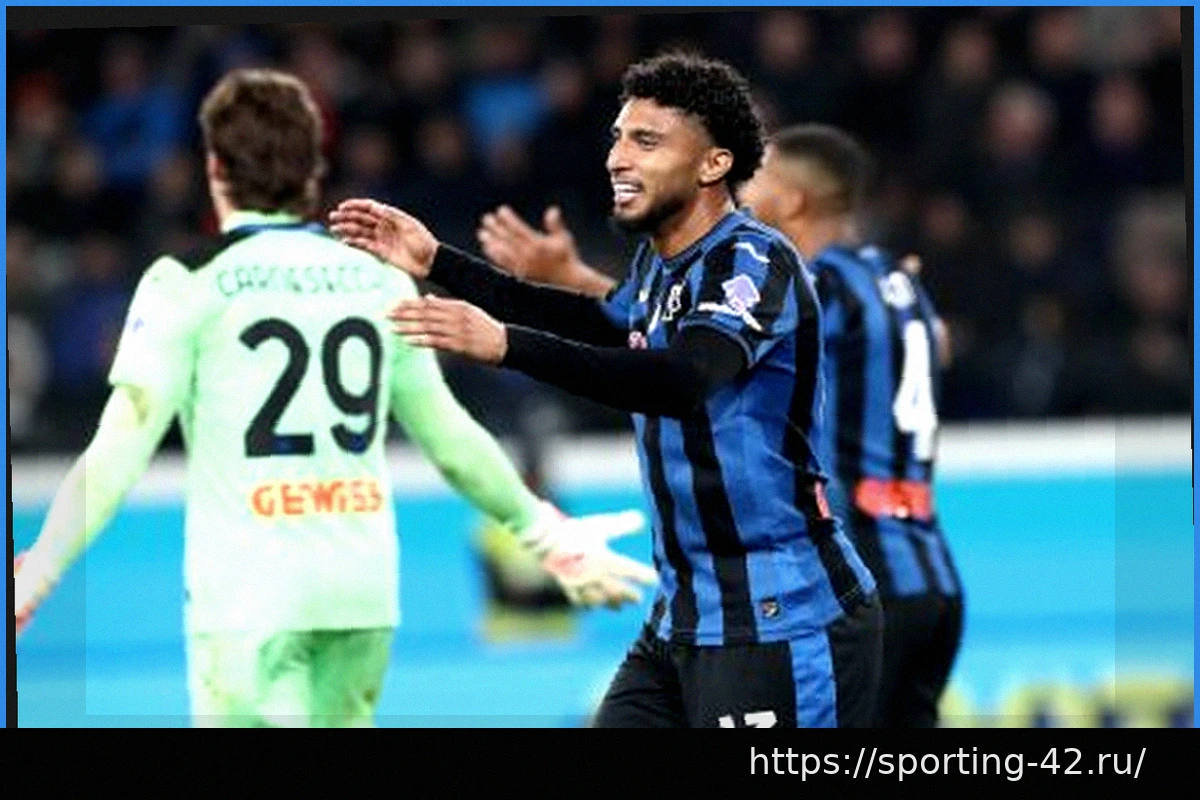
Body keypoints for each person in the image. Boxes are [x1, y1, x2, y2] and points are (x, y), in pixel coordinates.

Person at [13, 68, 655, 729]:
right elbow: (449, 435)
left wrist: (37, 574)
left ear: (215, 168)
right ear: (312, 171)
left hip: (250, 596)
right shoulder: (376, 279)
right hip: (358, 592)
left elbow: (122, 446)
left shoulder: (185, 283)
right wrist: (545, 534)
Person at [330, 53, 883, 728]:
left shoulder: (753, 260)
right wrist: (437, 261)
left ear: (713, 164)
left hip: (780, 615)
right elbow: (592, 320)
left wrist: (504, 344)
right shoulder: (660, 263)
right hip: (686, 616)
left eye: (646, 141)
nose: (618, 158)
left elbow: (682, 379)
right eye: (618, 138)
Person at [468, 123, 965, 727]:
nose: (743, 189)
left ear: (795, 201)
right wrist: (574, 278)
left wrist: (567, 286)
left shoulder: (808, 281)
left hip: (845, 574)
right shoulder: (893, 279)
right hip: (930, 571)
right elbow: (938, 346)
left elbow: (695, 341)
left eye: (759, 178)